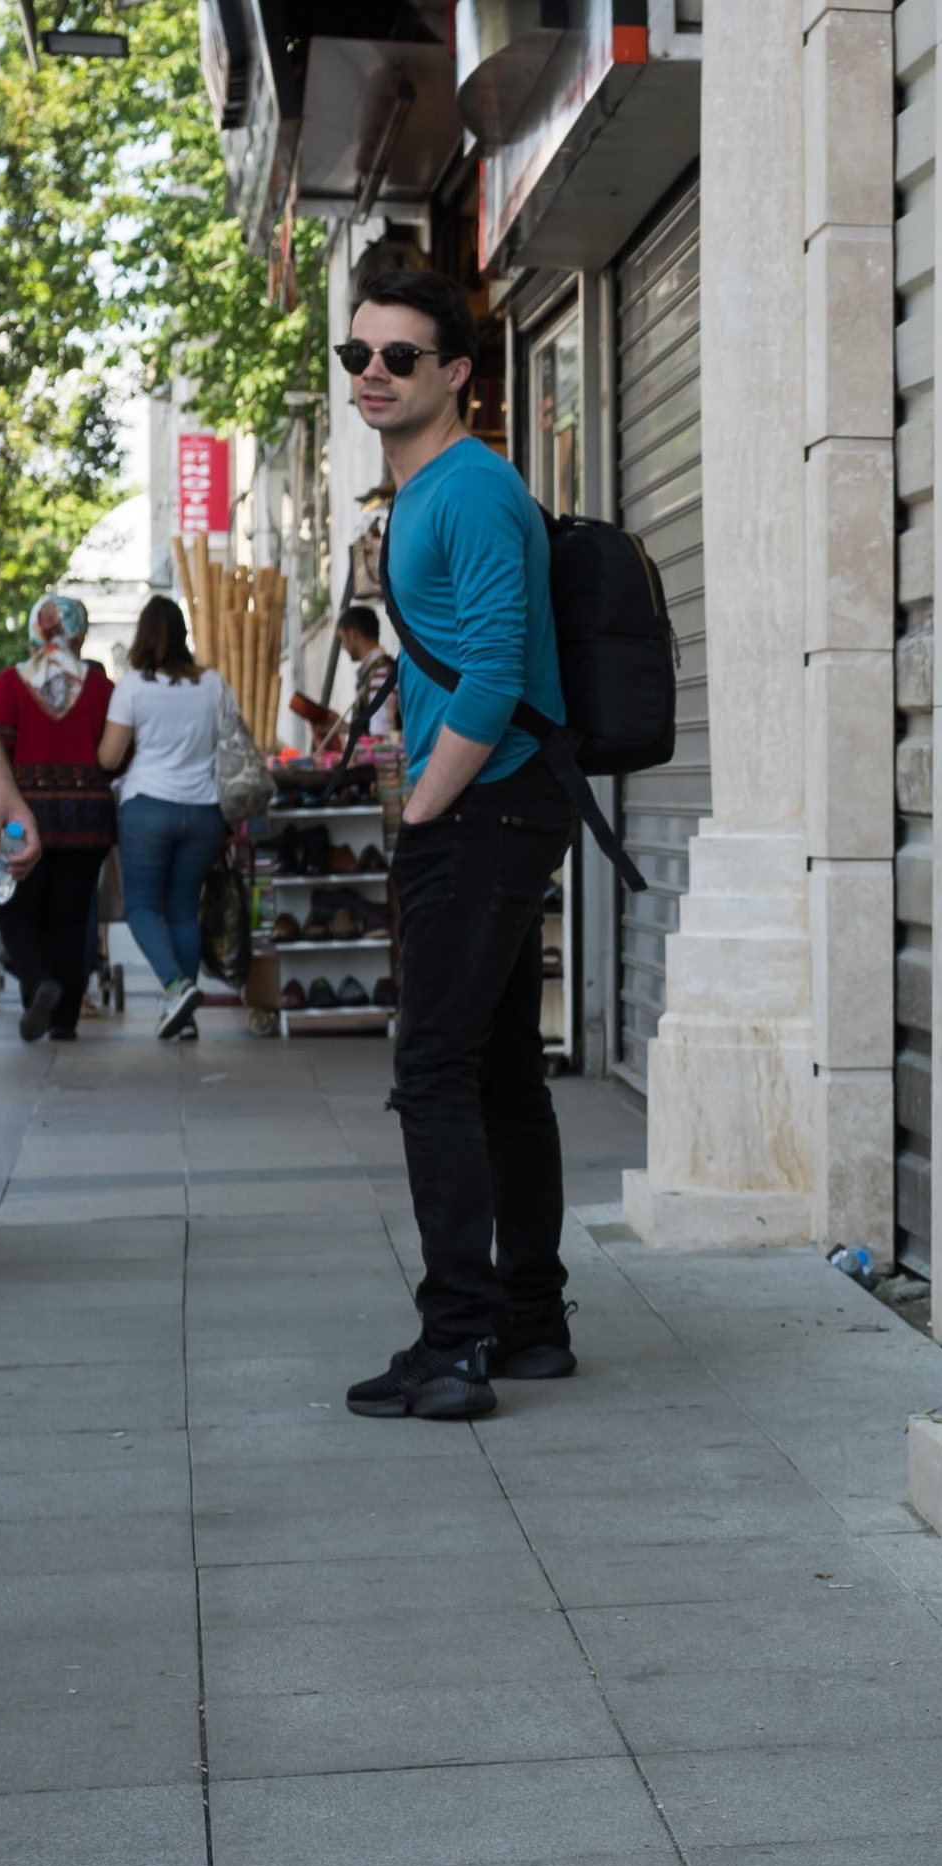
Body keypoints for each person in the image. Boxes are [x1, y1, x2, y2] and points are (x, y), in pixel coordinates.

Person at [336, 264, 576, 1424]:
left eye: (400, 357)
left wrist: (424, 808)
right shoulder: (426, 491)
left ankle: (455, 1343)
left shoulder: (471, 489)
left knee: (431, 1068)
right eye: (358, 356)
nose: (373, 374)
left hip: (484, 809)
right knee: (499, 1070)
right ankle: (530, 1325)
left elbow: (492, 669)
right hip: (497, 806)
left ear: (459, 373)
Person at [99, 596, 228, 1041]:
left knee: (140, 907)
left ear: (143, 635)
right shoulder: (213, 683)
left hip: (147, 809)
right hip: (205, 810)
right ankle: (183, 1018)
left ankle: (176, 987)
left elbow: (109, 756)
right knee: (183, 910)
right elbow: (231, 741)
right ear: (183, 635)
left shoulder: (132, 686)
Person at [0, 595, 117, 1042]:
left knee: (14, 906)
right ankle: (64, 1020)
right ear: (79, 634)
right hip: (88, 819)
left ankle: (37, 982)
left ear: (34, 631)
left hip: (22, 817)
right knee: (72, 916)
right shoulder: (101, 687)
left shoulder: (10, 683)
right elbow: (115, 757)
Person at [318, 604, 398, 750]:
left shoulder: (380, 674)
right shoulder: (375, 672)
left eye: (343, 639)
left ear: (353, 634)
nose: (343, 647)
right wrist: (344, 727)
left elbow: (381, 739)